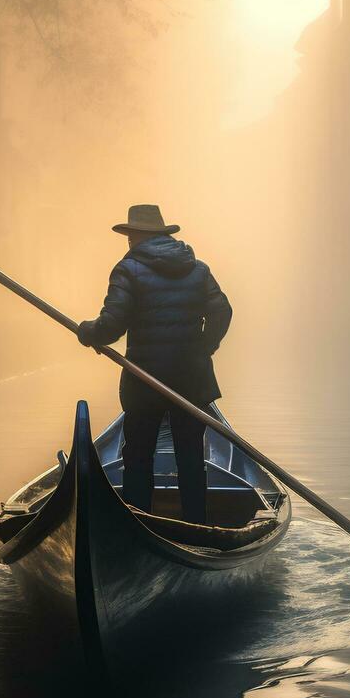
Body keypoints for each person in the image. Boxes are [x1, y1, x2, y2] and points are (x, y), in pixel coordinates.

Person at [76, 204, 232, 524]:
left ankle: (138, 524)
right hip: (191, 380)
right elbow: (222, 312)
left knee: (138, 458)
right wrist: (202, 350)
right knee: (191, 458)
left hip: (145, 380)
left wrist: (87, 332)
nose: (129, 242)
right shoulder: (198, 269)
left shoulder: (128, 269)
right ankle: (196, 526)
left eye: (131, 236)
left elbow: (112, 326)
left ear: (138, 236)